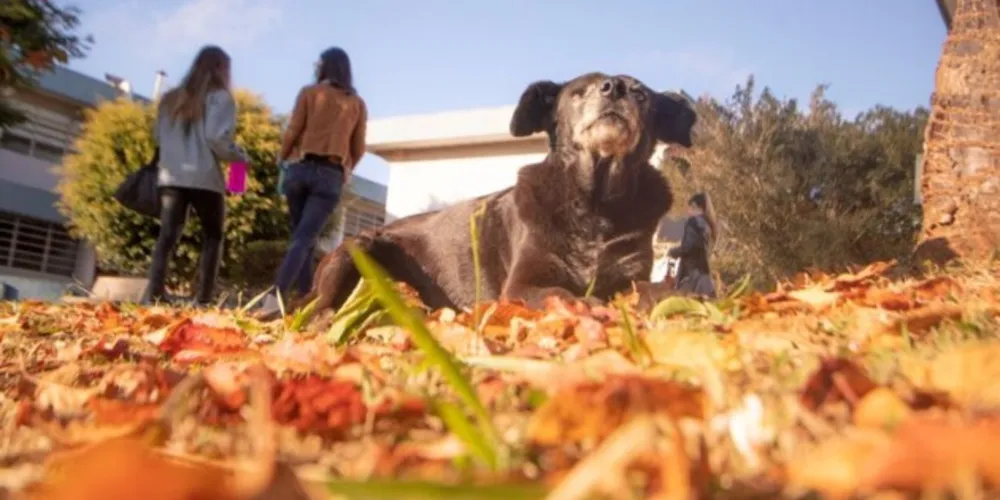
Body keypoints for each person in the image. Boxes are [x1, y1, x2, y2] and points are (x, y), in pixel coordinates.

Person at [262, 47, 367, 311]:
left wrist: (282, 158)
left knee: (302, 238)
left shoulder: (309, 93)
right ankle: (279, 299)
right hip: (330, 175)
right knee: (304, 238)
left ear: (323, 67)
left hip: (300, 170)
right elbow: (358, 147)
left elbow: (293, 130)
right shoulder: (356, 104)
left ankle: (299, 298)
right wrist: (347, 168)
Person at [141, 45, 248, 305]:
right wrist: (241, 160)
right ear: (220, 68)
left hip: (171, 176)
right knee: (213, 235)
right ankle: (203, 298)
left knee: (167, 235)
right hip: (204, 177)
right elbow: (217, 138)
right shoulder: (221, 98)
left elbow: (158, 137)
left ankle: (154, 295)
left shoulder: (169, 99)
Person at [668, 192, 719, 298]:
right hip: (705, 275)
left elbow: (688, 247)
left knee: (683, 304)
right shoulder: (709, 225)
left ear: (694, 206)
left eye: (689, 208)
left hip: (691, 275)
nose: (688, 211)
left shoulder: (694, 222)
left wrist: (673, 252)